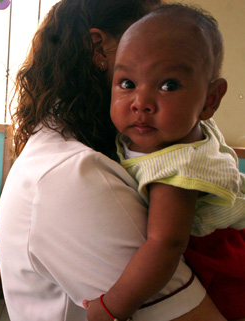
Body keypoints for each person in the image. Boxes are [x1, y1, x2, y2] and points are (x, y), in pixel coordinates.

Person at [0, 0, 225, 320]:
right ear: (99, 48)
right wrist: (109, 308)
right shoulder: (70, 176)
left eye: (170, 85)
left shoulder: (142, 146)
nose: (144, 102)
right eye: (148, 25)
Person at [83, 4, 245, 321]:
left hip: (221, 269)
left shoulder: (178, 171)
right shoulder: (172, 129)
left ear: (210, 100)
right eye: (127, 83)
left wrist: (111, 307)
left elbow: (165, 245)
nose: (141, 103)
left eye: (168, 85)